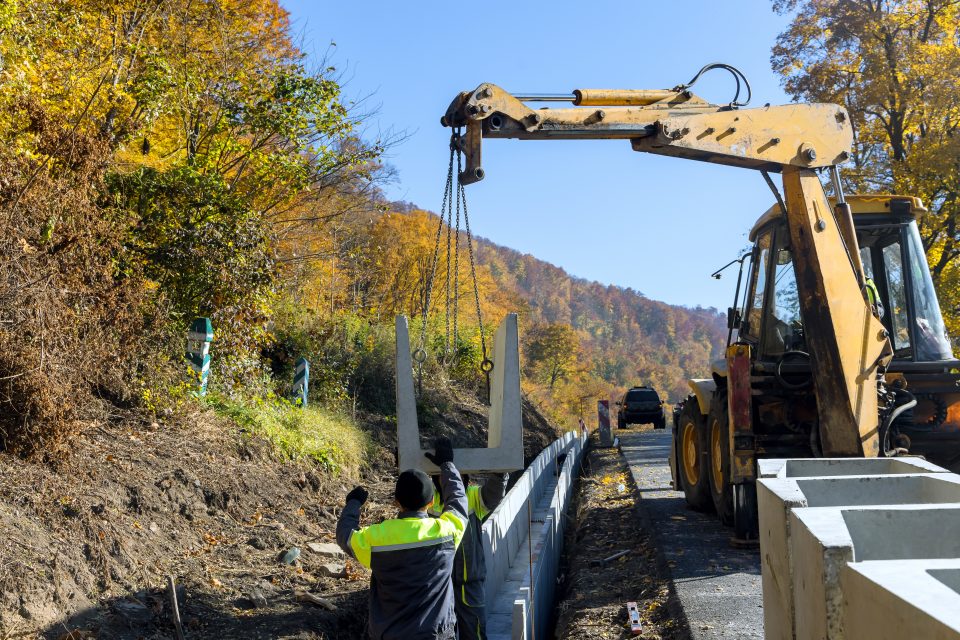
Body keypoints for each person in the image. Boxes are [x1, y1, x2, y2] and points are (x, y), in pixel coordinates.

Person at [336, 437, 467, 640]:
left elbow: (345, 535)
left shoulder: (377, 537)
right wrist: (447, 465)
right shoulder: (446, 532)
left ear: (397, 502)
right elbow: (458, 501)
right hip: (436, 635)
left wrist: (353, 503)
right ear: (432, 502)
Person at [428, 470, 508, 640]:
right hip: (440, 587)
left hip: (470, 584)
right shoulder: (428, 501)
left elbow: (493, 494)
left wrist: (500, 472)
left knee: (474, 633)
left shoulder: (471, 496)